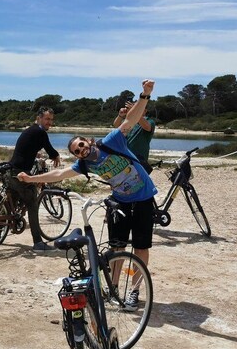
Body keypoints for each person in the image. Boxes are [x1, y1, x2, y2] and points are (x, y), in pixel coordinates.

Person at [18, 79, 158, 309]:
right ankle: (113, 289)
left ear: (89, 141)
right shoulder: (84, 165)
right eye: (77, 151)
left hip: (143, 198)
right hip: (120, 202)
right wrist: (32, 179)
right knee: (117, 248)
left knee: (141, 248)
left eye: (82, 145)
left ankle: (134, 291)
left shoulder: (111, 141)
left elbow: (131, 120)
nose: (82, 150)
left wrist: (145, 95)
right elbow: (59, 174)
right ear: (77, 156)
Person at [7, 106, 62, 253]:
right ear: (38, 118)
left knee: (9, 201)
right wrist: (55, 156)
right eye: (47, 119)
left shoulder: (30, 130)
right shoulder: (40, 132)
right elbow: (49, 148)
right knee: (32, 204)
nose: (49, 122)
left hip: (11, 170)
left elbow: (28, 148)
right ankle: (38, 242)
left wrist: (36, 156)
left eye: (51, 119)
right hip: (21, 173)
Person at [113, 101, 156, 171]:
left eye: (138, 108)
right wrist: (120, 115)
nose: (135, 109)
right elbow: (116, 125)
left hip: (140, 157)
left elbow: (147, 127)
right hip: (126, 156)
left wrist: (136, 112)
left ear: (145, 111)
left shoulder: (150, 121)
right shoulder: (130, 121)